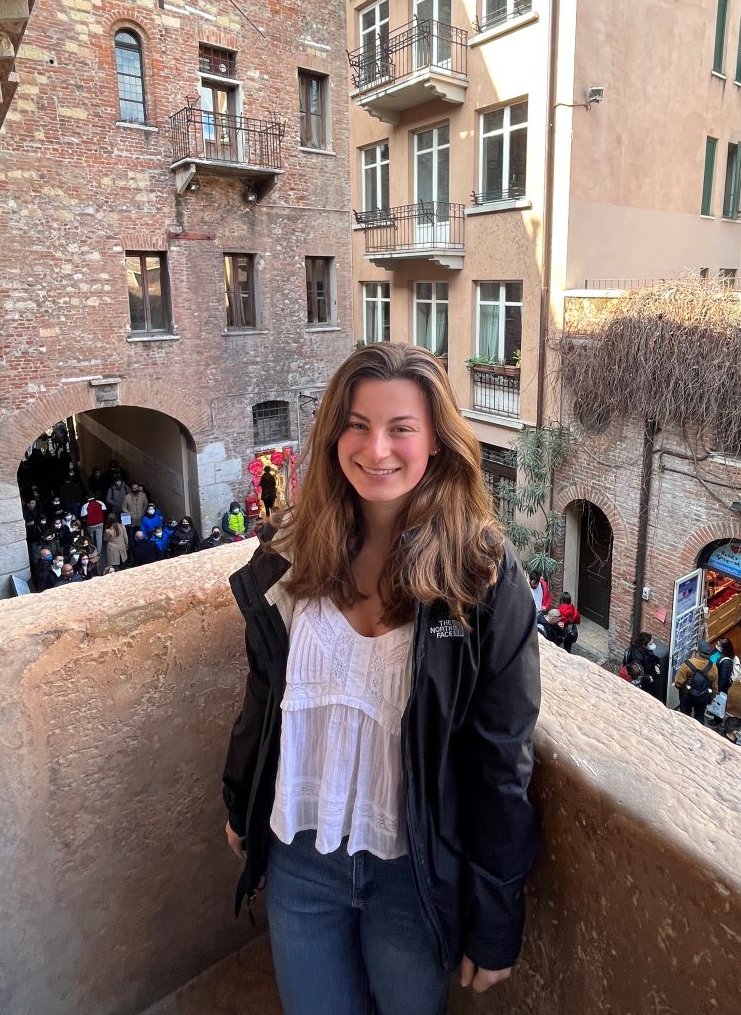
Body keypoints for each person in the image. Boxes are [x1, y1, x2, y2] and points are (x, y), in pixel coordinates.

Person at [222, 343, 540, 1015]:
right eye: (358, 425)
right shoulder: (287, 554)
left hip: (414, 876)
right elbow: (264, 696)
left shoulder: (479, 577)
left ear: (436, 442)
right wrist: (237, 801)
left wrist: (495, 918)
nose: (377, 449)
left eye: (401, 428)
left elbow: (501, 760)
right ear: (335, 433)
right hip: (299, 859)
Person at [673, 639, 718, 724]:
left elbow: (678, 683)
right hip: (703, 696)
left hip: (686, 695)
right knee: (699, 716)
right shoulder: (713, 667)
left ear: (697, 652)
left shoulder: (687, 664)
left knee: (685, 716)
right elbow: (714, 686)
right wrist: (712, 696)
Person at [622, 631, 661, 697]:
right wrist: (650, 678)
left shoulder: (644, 650)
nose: (653, 645)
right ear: (644, 645)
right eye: (650, 644)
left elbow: (651, 657)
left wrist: (656, 664)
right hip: (645, 683)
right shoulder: (637, 658)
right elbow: (637, 673)